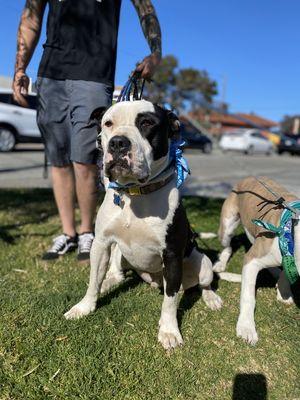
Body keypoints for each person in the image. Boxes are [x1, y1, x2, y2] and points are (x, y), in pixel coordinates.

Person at [13, 0, 161, 261]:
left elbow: (145, 9)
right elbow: (31, 18)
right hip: (50, 75)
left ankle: (86, 232)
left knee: (84, 159)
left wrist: (155, 53)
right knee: (58, 159)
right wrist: (20, 68)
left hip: (93, 75)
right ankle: (68, 233)